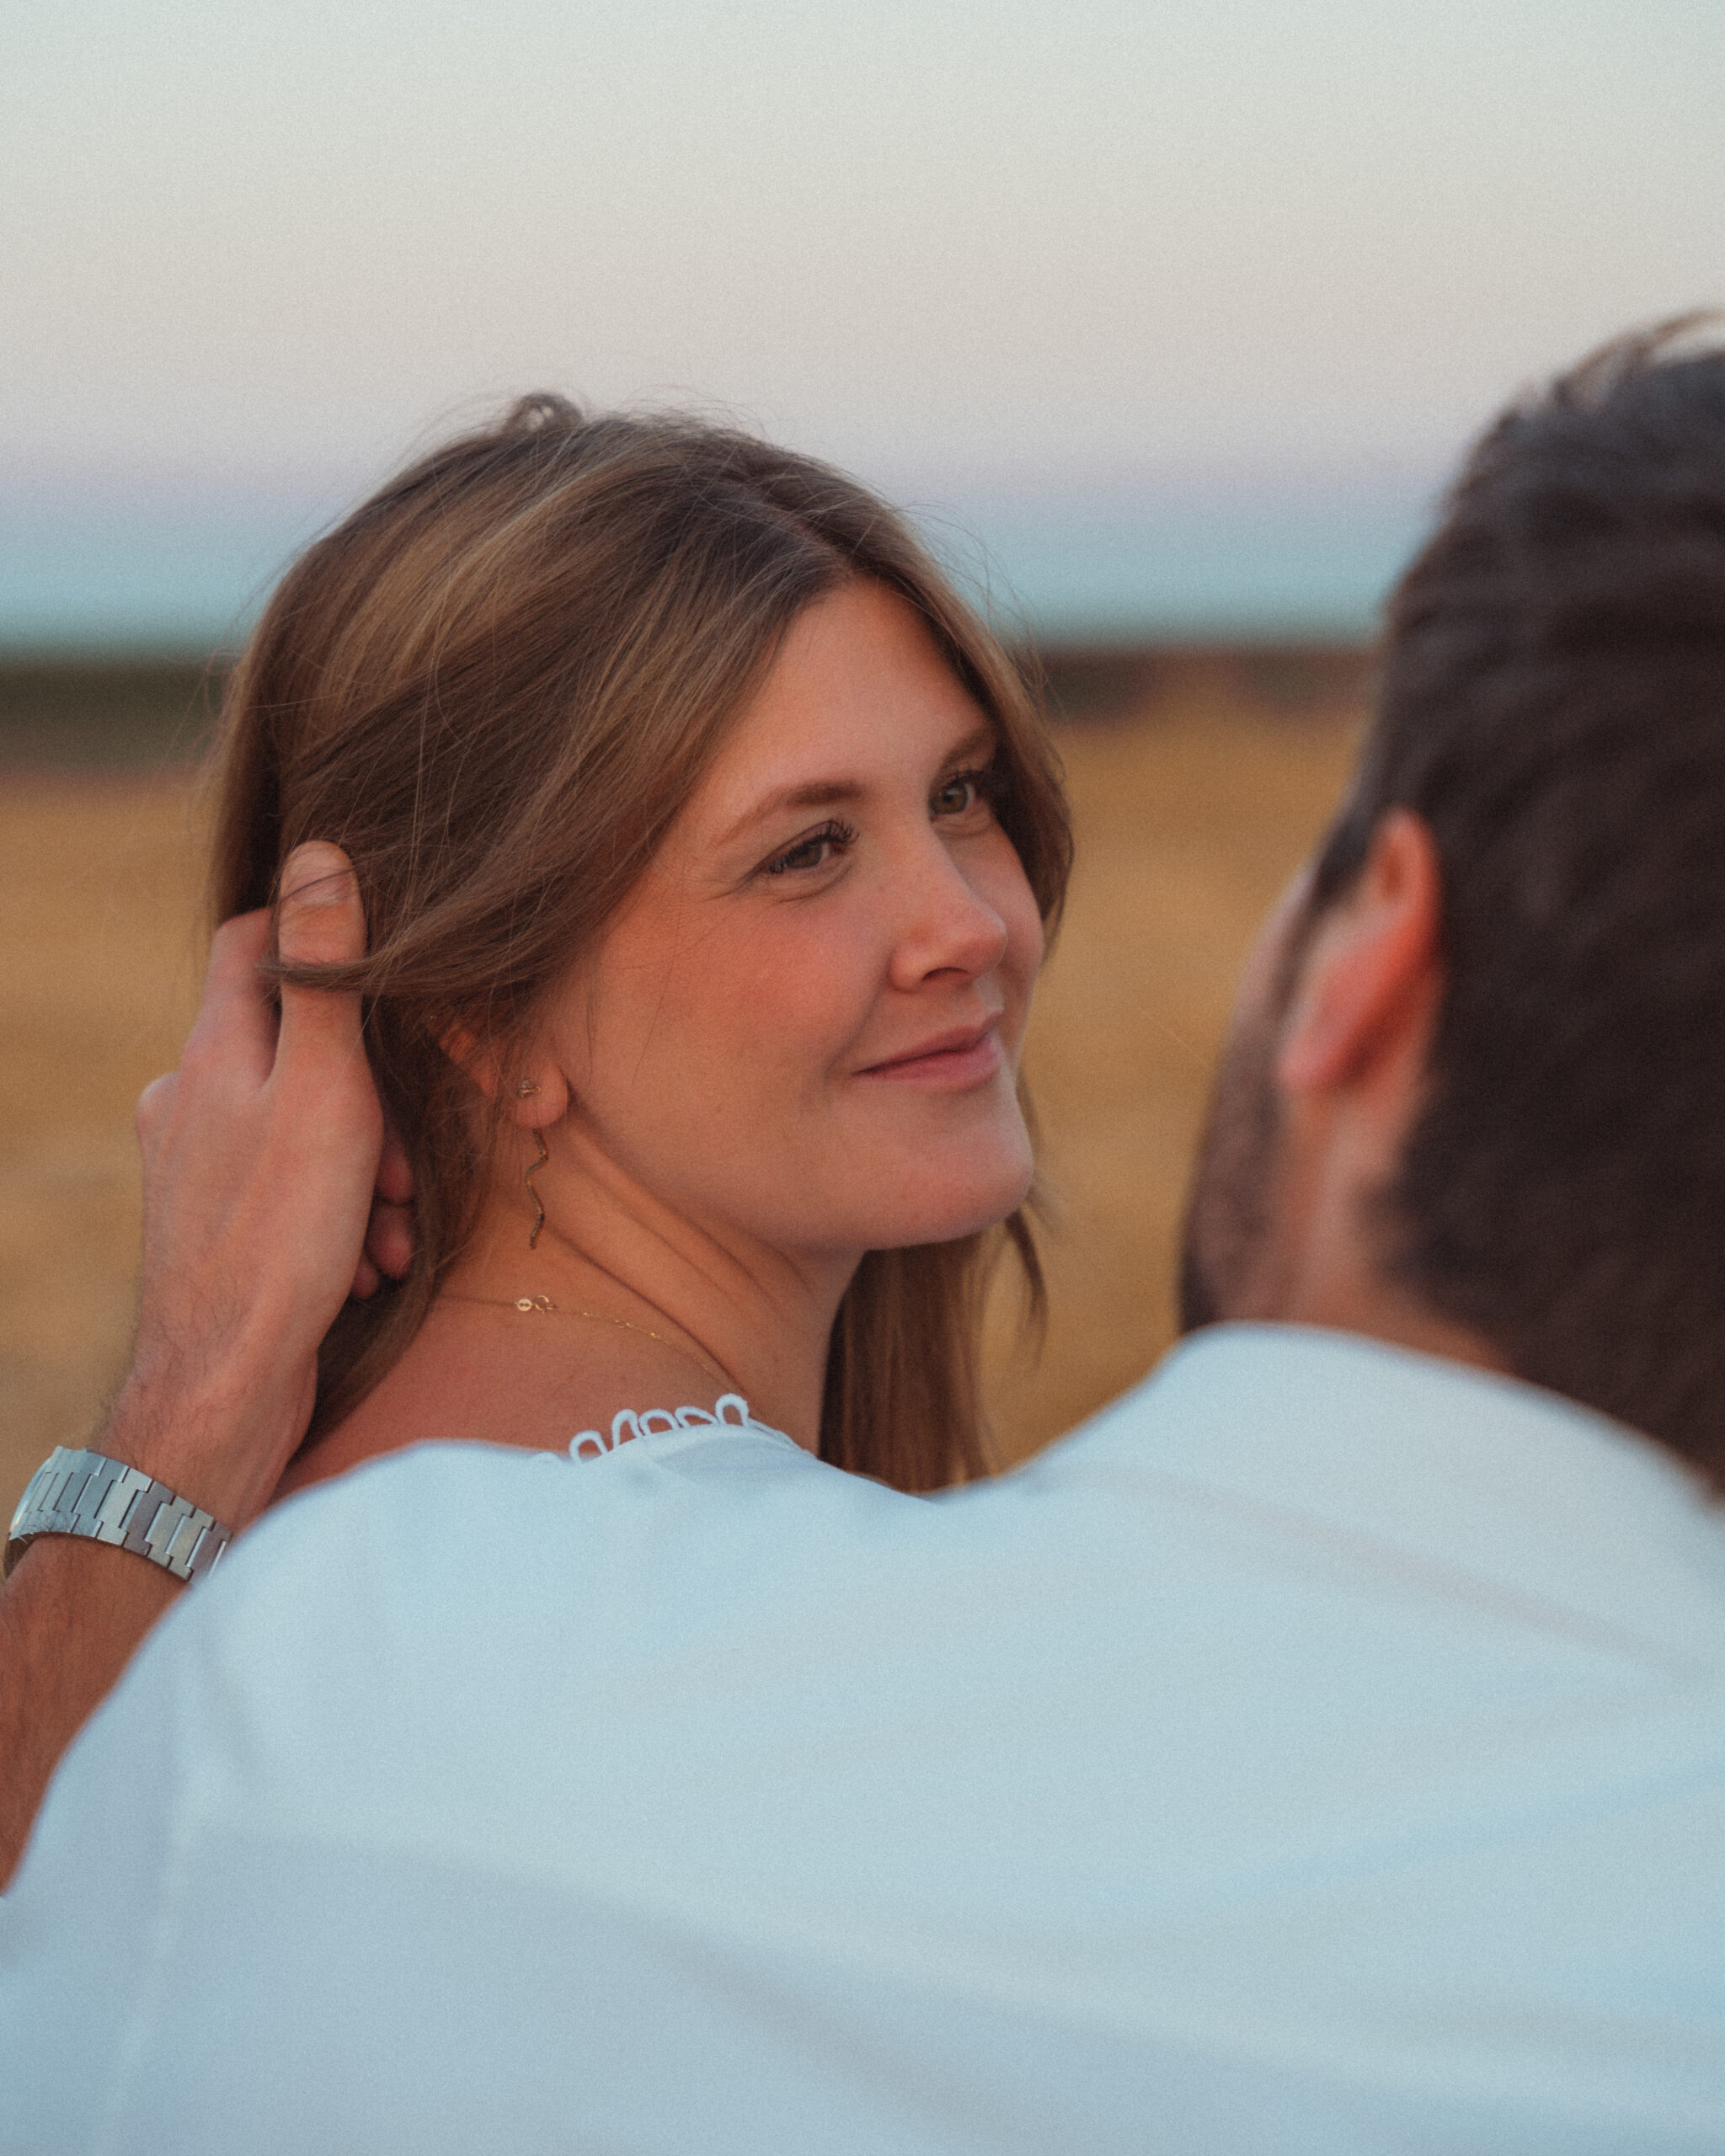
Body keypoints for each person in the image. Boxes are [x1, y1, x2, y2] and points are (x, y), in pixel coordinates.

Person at [5, 324, 1725, 2152]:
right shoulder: (445, 1648)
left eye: (961, 792)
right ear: (474, 1016)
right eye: (805, 851)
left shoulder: (211, 1634)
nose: (969, 920)